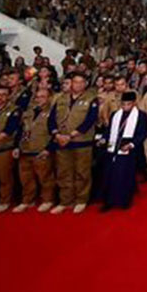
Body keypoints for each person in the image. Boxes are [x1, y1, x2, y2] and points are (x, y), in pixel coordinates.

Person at [49, 71, 100, 214]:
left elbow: (90, 120)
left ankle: (81, 200)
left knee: (82, 173)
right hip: (61, 141)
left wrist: (70, 135)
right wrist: (56, 134)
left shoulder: (91, 99)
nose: (78, 85)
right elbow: (51, 119)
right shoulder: (61, 99)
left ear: (86, 84)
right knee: (63, 173)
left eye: (81, 82)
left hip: (81, 141)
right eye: (75, 82)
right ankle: (65, 201)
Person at [99, 91, 147, 211]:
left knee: (124, 176)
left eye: (128, 104)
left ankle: (123, 201)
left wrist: (131, 145)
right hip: (112, 148)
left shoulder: (141, 115)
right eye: (123, 104)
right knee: (109, 175)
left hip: (128, 150)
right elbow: (108, 130)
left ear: (134, 103)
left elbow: (143, 133)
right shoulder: (115, 114)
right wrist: (104, 139)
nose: (126, 106)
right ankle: (108, 201)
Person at [13, 87, 55, 213]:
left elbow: (55, 132)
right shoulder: (28, 112)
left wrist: (49, 149)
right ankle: (27, 200)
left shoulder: (53, 112)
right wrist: (16, 146)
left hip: (41, 149)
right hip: (25, 149)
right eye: (37, 97)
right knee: (26, 179)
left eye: (43, 97)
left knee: (45, 178)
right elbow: (20, 130)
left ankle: (47, 200)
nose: (39, 99)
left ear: (49, 98)